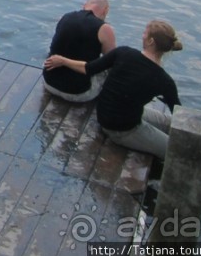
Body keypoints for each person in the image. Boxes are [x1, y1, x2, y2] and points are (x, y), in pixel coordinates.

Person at [44, 20, 183, 160]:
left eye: (144, 33)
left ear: (151, 41)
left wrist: (63, 60)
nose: (142, 35)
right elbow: (178, 113)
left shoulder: (123, 53)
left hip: (112, 115)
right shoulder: (165, 81)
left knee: (168, 123)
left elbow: (89, 68)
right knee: (175, 151)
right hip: (122, 129)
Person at [42, 0, 116, 102]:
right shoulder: (104, 28)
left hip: (49, 83)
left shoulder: (65, 17)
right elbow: (111, 61)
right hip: (79, 93)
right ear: (106, 10)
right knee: (108, 69)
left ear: (84, 5)